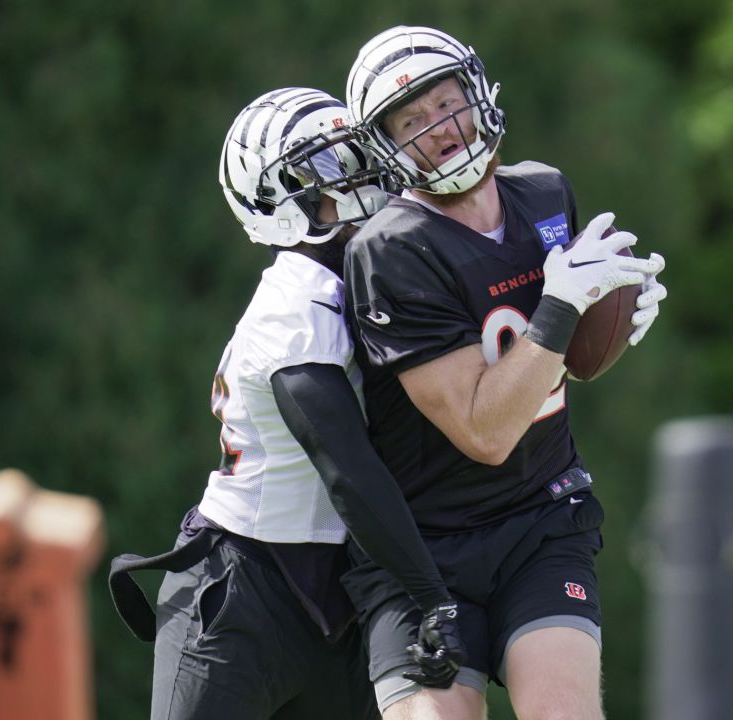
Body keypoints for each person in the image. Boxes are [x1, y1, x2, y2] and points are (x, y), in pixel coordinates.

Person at [107, 87, 467, 720]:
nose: (355, 178)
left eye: (355, 155)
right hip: (244, 586)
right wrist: (432, 597)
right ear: (273, 202)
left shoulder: (379, 272)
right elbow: (347, 472)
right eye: (325, 168)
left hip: (341, 589)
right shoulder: (294, 306)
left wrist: (564, 318)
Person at [341, 27, 667, 720]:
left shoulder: (545, 193)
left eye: (445, 102)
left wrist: (609, 321)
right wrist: (561, 307)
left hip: (539, 517)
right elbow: (484, 430)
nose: (439, 128)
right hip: (422, 551)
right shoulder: (392, 249)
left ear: (479, 94)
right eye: (412, 120)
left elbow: (541, 369)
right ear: (387, 145)